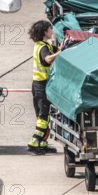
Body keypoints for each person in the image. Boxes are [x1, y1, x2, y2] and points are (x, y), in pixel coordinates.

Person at [26, 20, 63, 155]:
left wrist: (61, 48)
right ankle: (34, 142)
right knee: (44, 115)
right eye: (50, 29)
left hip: (37, 85)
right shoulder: (43, 48)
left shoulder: (41, 45)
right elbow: (47, 59)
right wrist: (59, 53)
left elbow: (57, 50)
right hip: (41, 86)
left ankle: (42, 143)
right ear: (44, 32)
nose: (51, 31)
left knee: (41, 114)